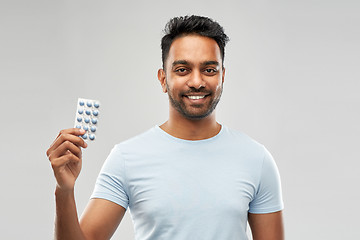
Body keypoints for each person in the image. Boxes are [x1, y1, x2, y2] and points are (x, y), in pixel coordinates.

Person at [47, 15, 284, 240]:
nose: (197, 81)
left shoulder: (256, 159)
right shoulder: (127, 158)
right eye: (182, 70)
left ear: (223, 76)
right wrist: (64, 191)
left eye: (209, 70)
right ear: (163, 79)